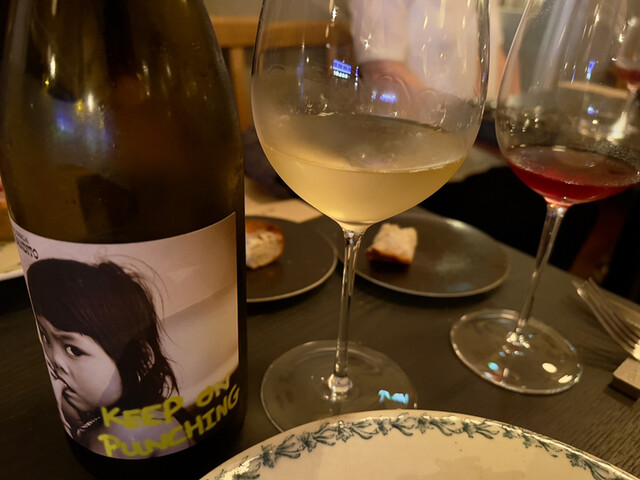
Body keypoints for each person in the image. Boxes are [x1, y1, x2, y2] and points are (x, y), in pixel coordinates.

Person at [27, 258, 190, 457]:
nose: (54, 360)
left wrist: (76, 427)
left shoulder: (125, 430)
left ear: (142, 360)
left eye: (74, 350)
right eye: (45, 337)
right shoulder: (145, 411)